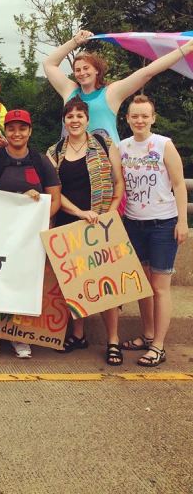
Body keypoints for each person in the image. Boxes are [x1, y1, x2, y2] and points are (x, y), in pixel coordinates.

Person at [0, 109, 61, 359]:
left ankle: (17, 335)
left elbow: (54, 199)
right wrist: (20, 204)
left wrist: (35, 215)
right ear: (5, 131)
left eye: (22, 128)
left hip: (29, 238)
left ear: (29, 131)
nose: (17, 133)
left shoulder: (40, 160)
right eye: (11, 128)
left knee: (24, 284)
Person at [46, 98, 125, 365]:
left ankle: (113, 340)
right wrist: (79, 213)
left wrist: (111, 211)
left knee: (108, 285)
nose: (75, 120)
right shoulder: (54, 151)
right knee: (76, 284)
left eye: (80, 115)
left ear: (87, 119)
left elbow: (118, 181)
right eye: (70, 116)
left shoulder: (104, 145)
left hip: (101, 223)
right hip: (69, 223)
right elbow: (54, 191)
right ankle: (78, 335)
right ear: (64, 121)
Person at [119, 95, 189, 367]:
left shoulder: (163, 145)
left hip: (163, 223)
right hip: (133, 223)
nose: (139, 120)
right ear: (127, 119)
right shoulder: (122, 147)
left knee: (160, 287)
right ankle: (147, 335)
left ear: (153, 118)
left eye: (144, 116)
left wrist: (182, 221)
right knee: (142, 285)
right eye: (134, 116)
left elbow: (179, 185)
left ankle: (158, 346)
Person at [43, 30, 193, 144]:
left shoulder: (111, 93)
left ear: (96, 70)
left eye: (86, 68)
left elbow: (147, 72)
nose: (82, 73)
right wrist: (75, 41)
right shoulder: (69, 91)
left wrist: (184, 49)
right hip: (70, 163)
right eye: (77, 70)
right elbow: (48, 64)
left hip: (106, 165)